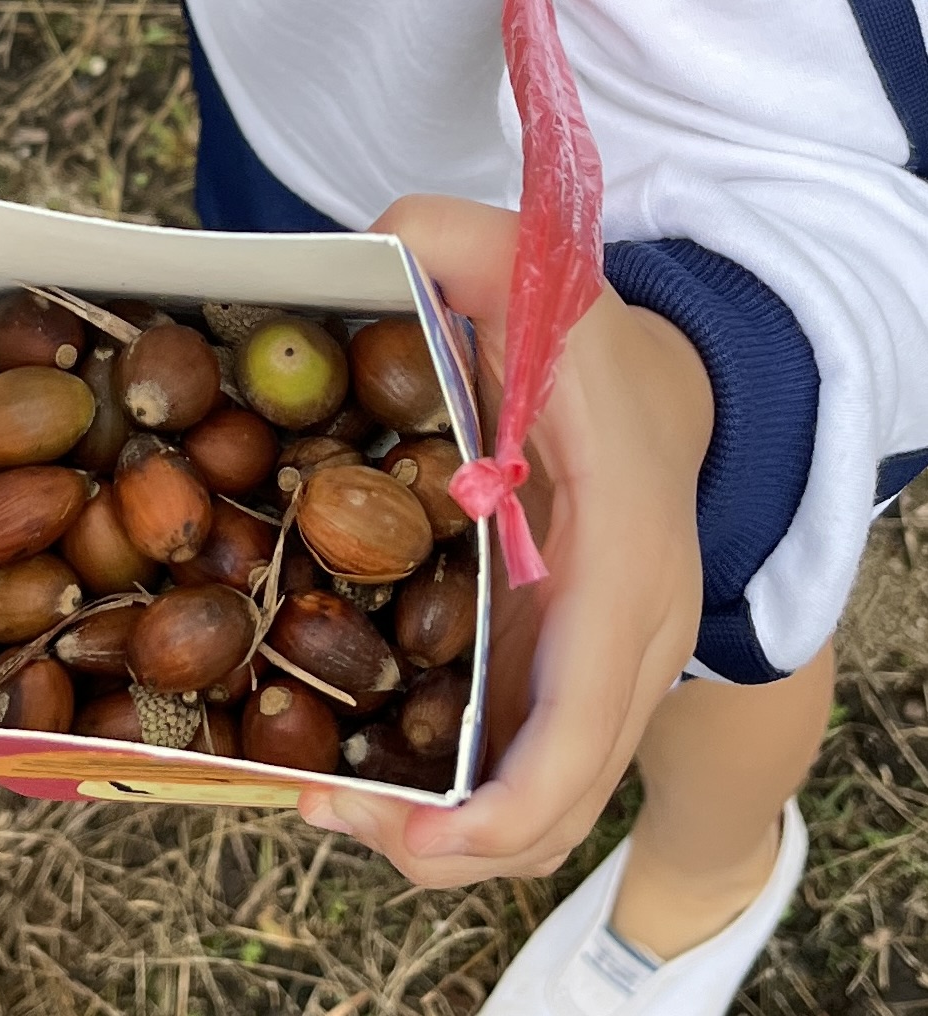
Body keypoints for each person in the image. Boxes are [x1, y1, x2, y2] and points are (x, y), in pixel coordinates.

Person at [176, 2, 928, 1013]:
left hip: (665, 249)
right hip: (314, 108)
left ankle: (706, 873)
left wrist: (690, 389)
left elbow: (875, 182)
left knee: (684, 653)